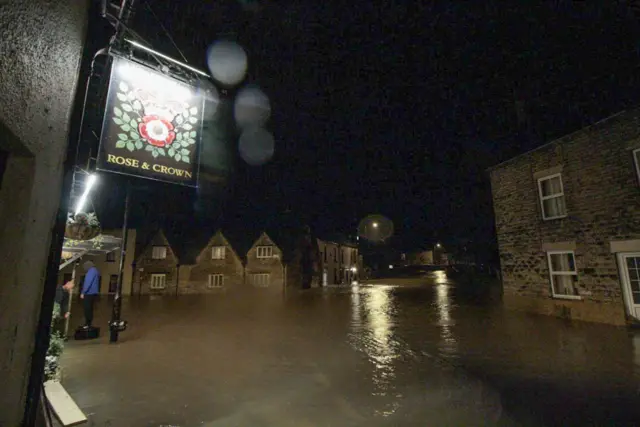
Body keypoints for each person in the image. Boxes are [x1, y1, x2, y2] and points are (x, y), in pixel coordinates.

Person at [80, 260, 100, 329]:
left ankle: (87, 324)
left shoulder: (91, 271)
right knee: (90, 309)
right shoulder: (95, 270)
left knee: (87, 309)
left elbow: (88, 283)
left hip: (89, 293)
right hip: (93, 293)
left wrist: (83, 292)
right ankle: (88, 323)